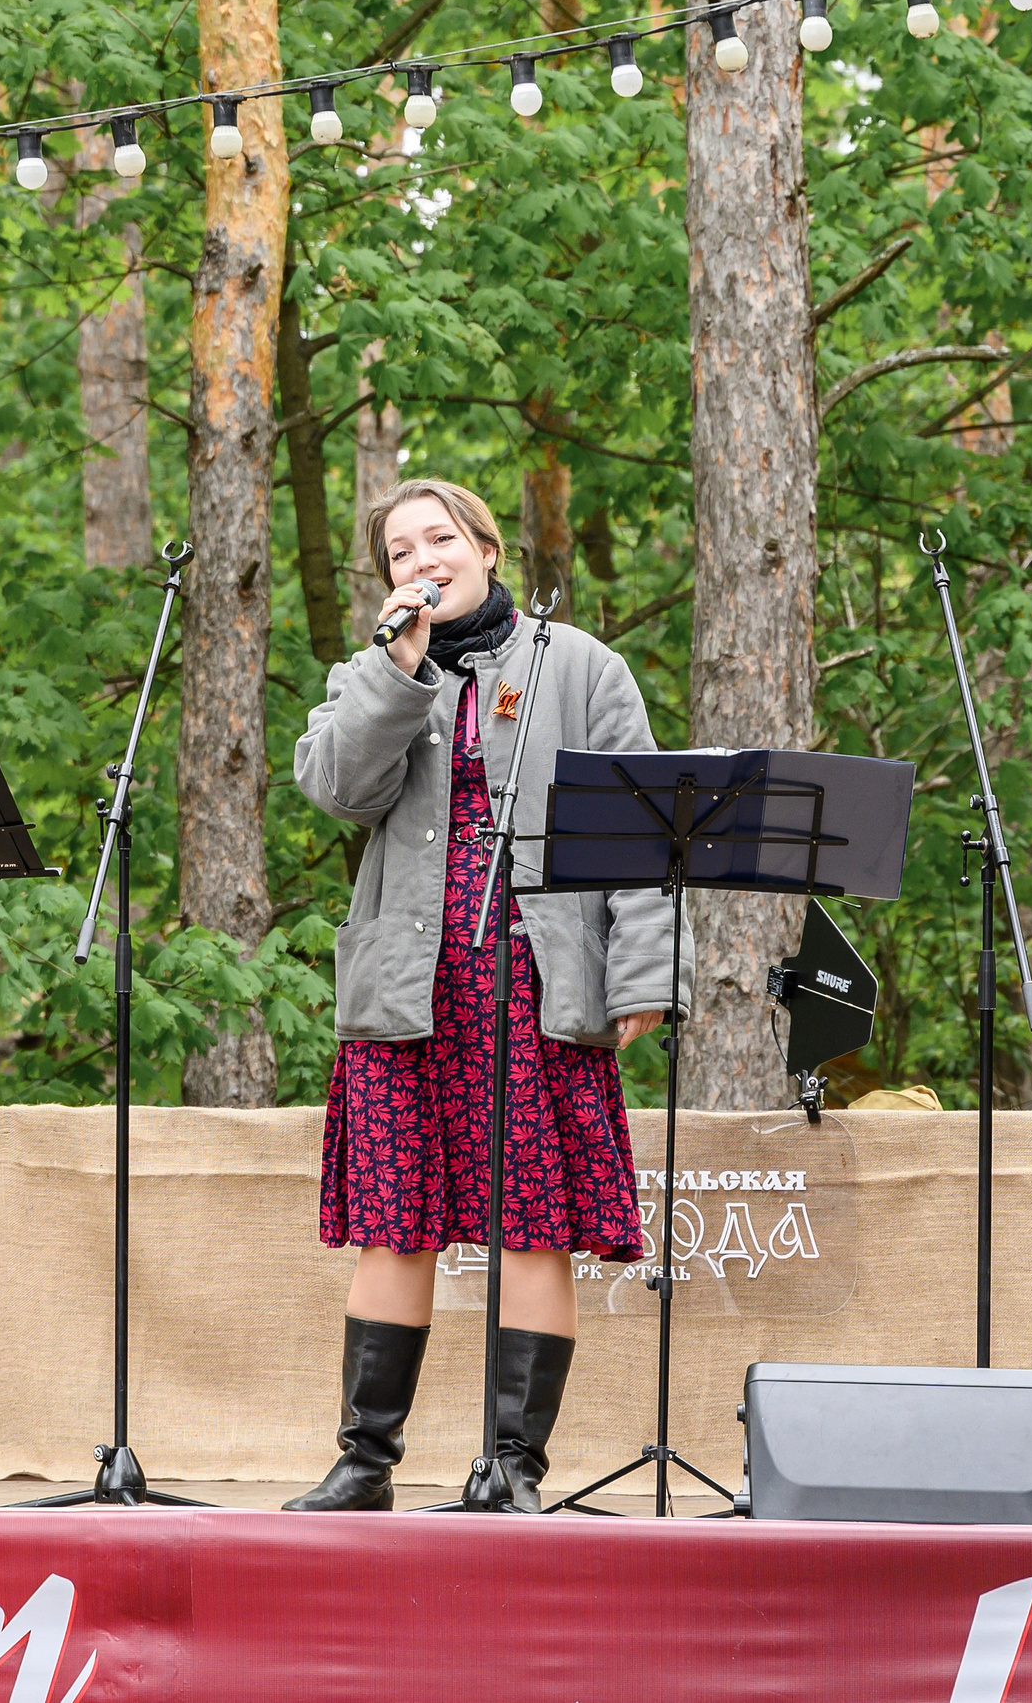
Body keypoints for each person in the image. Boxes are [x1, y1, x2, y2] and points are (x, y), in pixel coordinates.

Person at [287, 478, 687, 1512]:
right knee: (394, 1219)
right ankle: (365, 1462)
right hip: (406, 984)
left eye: (438, 537)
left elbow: (643, 836)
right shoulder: (373, 671)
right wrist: (397, 671)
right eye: (396, 550)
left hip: (532, 981)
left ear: (486, 548)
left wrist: (643, 972)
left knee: (531, 1223)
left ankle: (511, 1467)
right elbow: (336, 788)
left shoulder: (583, 665)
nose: (419, 559)